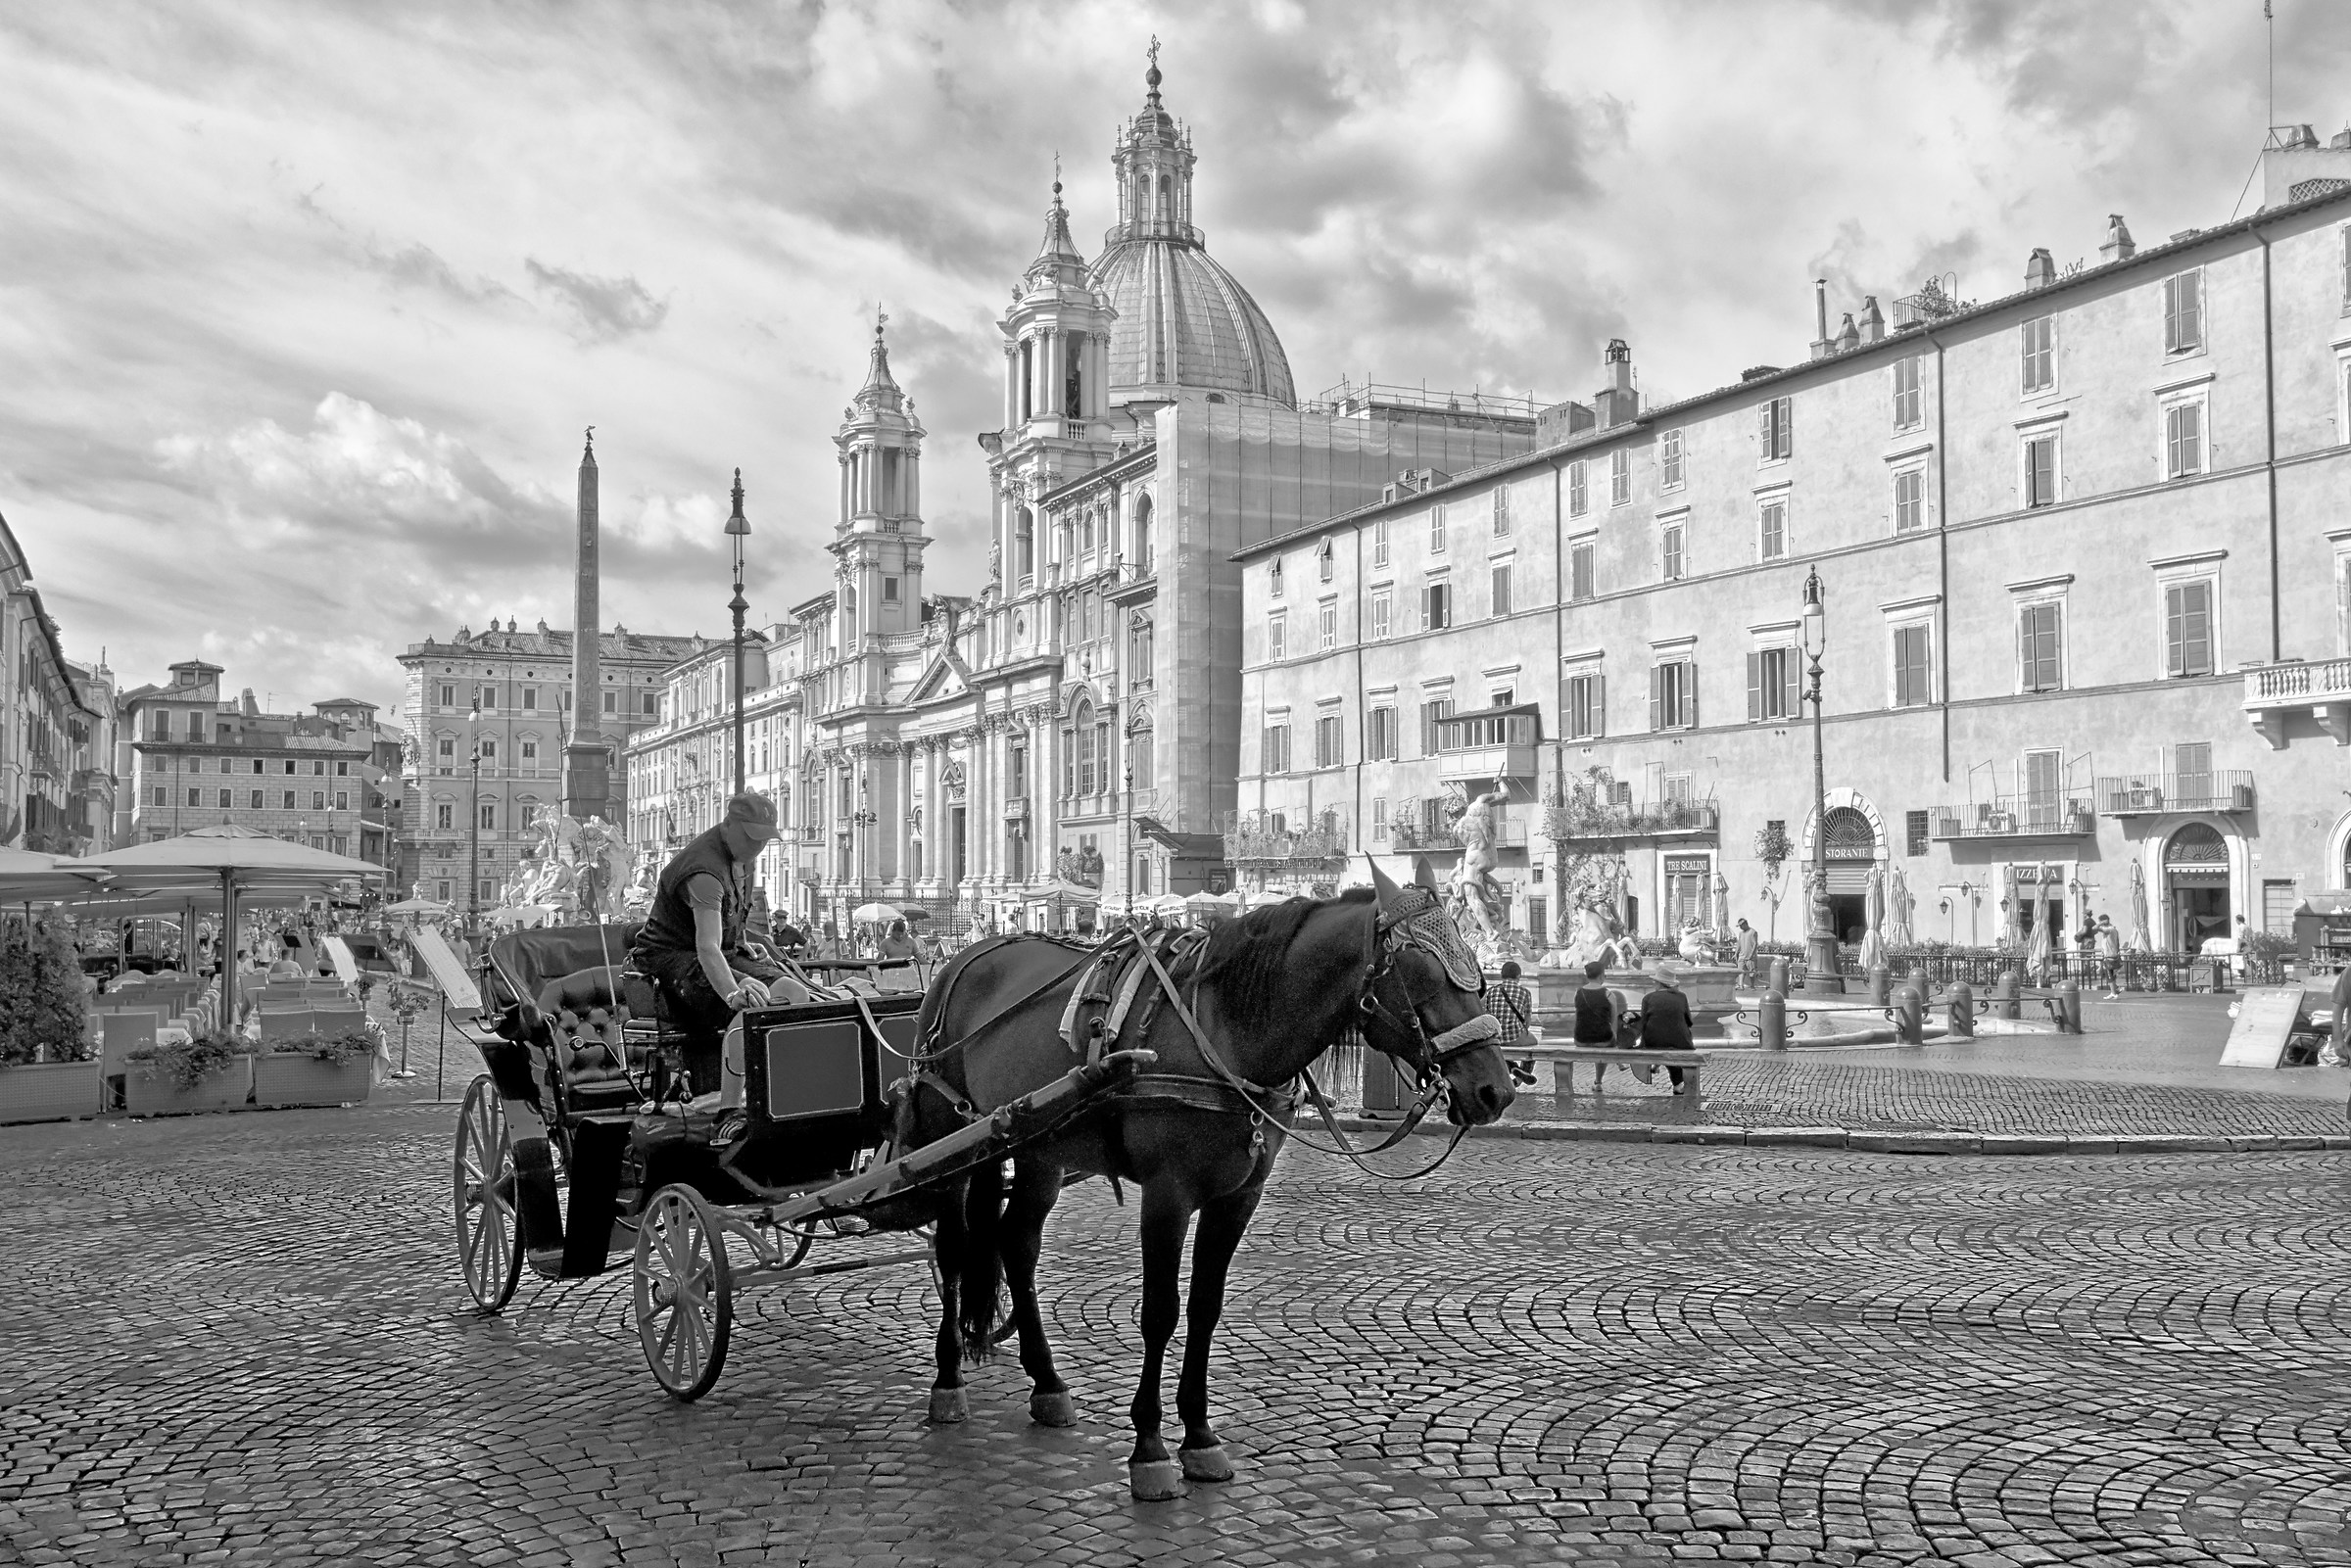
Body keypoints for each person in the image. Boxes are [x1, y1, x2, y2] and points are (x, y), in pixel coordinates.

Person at [630, 792, 808, 1096]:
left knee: (795, 993)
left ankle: (776, 1093)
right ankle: (729, 1106)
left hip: (712, 952)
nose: (758, 846)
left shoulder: (742, 859)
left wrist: (741, 941)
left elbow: (727, 923)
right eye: (752, 837)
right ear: (729, 825)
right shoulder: (704, 873)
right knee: (753, 999)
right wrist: (732, 993)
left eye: (764, 839)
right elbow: (707, 947)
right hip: (670, 958)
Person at [1634, 964, 1696, 1095]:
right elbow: (1689, 1022)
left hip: (1654, 1042)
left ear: (1659, 983)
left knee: (1664, 1042)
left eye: (1655, 981)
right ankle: (1678, 1084)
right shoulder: (1681, 997)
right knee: (1674, 1042)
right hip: (1680, 1042)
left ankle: (1662, 1069)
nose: (1653, 983)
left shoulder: (1648, 998)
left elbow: (1643, 1023)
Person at [1570, 958, 1618, 1092]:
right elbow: (1613, 1021)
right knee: (1608, 1037)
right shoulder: (1608, 994)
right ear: (1602, 975)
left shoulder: (1579, 993)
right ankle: (1598, 1081)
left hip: (1580, 1039)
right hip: (1603, 1040)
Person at [1487, 960, 1535, 1087]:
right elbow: (1528, 1019)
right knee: (1533, 1043)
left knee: (1499, 1050)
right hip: (1515, 1037)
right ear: (1518, 976)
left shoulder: (1491, 991)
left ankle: (1512, 1066)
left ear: (1501, 975)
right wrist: (1524, 1030)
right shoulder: (1525, 992)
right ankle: (1521, 1076)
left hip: (1496, 1037)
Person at [2095, 913, 2123, 999]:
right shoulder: (2114, 930)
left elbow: (2094, 928)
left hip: (2109, 954)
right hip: (2113, 953)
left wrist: (2100, 923)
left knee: (2109, 974)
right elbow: (2117, 942)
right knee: (2111, 973)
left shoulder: (2108, 930)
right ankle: (2115, 990)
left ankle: (2114, 992)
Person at [1733, 918, 1759, 988]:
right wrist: (1736, 953)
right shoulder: (1741, 933)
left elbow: (1755, 944)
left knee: (1752, 972)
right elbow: (1739, 944)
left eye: (1741, 926)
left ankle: (1752, 986)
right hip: (1742, 956)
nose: (1740, 928)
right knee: (1741, 971)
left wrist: (1752, 954)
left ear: (1745, 924)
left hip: (1750, 956)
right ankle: (1740, 985)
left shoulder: (1753, 932)